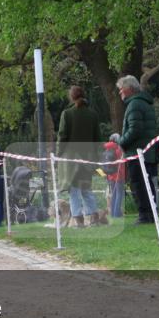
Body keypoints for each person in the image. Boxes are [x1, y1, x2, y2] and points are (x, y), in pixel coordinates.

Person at [57, 85, 104, 227]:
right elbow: (98, 139)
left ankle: (78, 221)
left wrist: (58, 155)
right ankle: (94, 218)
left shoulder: (67, 114)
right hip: (88, 158)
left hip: (72, 160)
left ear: (71, 97)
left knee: (74, 192)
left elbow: (62, 137)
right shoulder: (93, 114)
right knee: (86, 189)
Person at [117, 75, 159, 225]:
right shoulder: (145, 103)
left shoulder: (134, 105)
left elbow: (135, 130)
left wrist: (120, 141)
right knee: (147, 184)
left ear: (129, 89)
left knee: (138, 184)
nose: (120, 93)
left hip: (137, 152)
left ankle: (144, 215)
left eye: (121, 90)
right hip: (148, 152)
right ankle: (151, 214)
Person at [101, 133, 126, 218]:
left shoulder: (106, 149)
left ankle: (112, 213)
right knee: (119, 194)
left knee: (114, 194)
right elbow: (121, 164)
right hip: (119, 175)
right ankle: (116, 214)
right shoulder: (118, 149)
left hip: (110, 175)